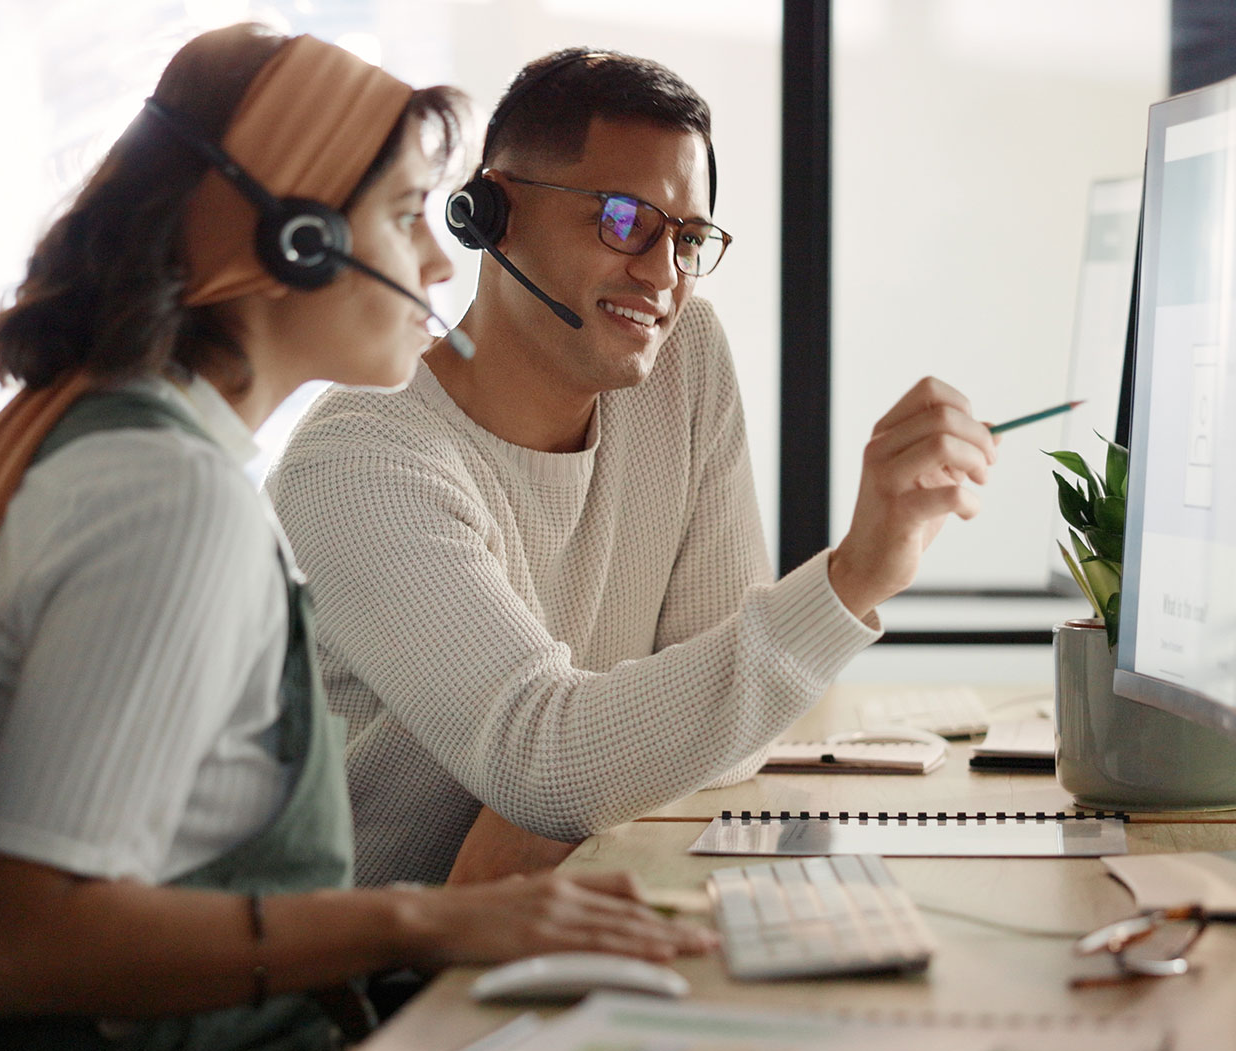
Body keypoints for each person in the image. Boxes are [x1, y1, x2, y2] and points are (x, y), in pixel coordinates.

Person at [0, 27, 709, 1051]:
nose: (442, 263)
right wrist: (425, 923)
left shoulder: (128, 445)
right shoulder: (171, 502)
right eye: (406, 218)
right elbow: (23, 942)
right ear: (291, 241)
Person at [266, 48, 999, 890]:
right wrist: (850, 579)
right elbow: (551, 759)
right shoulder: (362, 461)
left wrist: (548, 807)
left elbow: (724, 730)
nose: (662, 275)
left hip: (543, 904)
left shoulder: (683, 361)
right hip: (378, 982)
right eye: (624, 221)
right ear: (488, 213)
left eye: (688, 239)